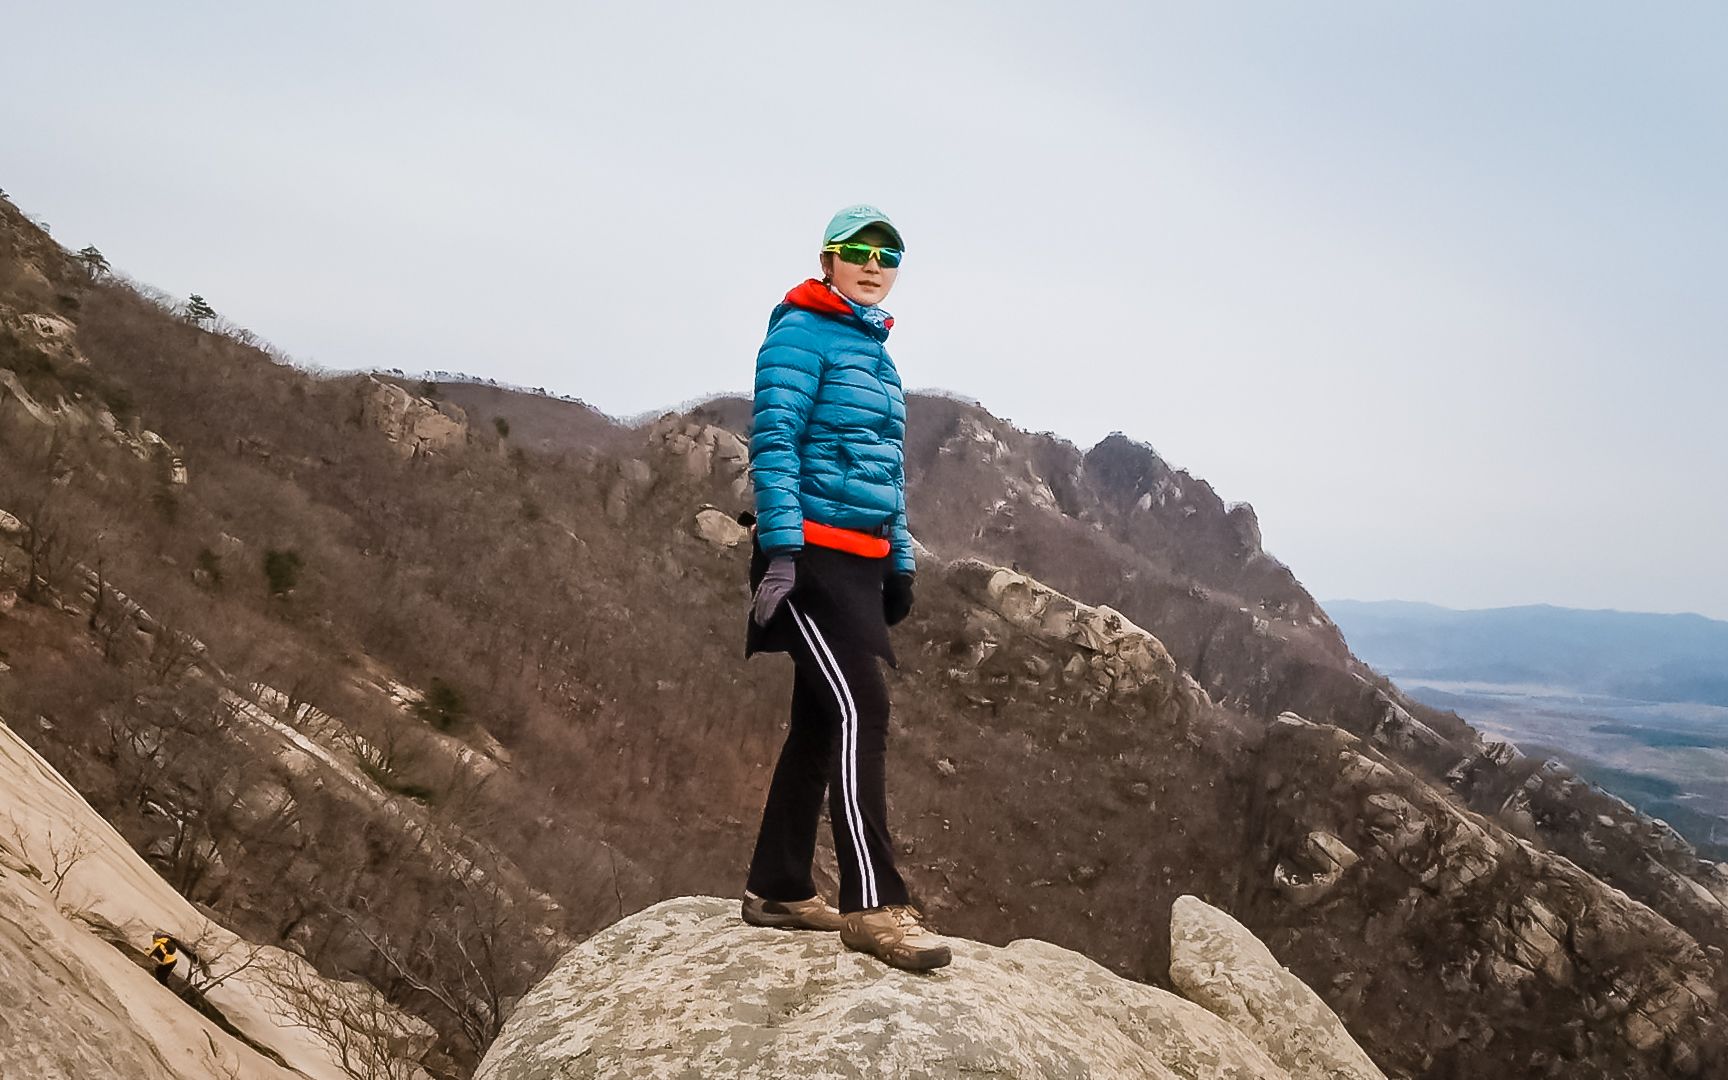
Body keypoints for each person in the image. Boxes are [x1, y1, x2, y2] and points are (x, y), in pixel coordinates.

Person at [739, 204, 950, 972]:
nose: (873, 262)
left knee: (823, 719)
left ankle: (778, 886)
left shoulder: (876, 351)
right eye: (856, 250)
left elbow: (884, 469)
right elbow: (774, 440)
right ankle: (875, 906)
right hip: (812, 556)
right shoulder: (800, 329)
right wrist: (783, 550)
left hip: (859, 559)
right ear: (827, 259)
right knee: (864, 704)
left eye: (888, 253)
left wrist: (899, 560)